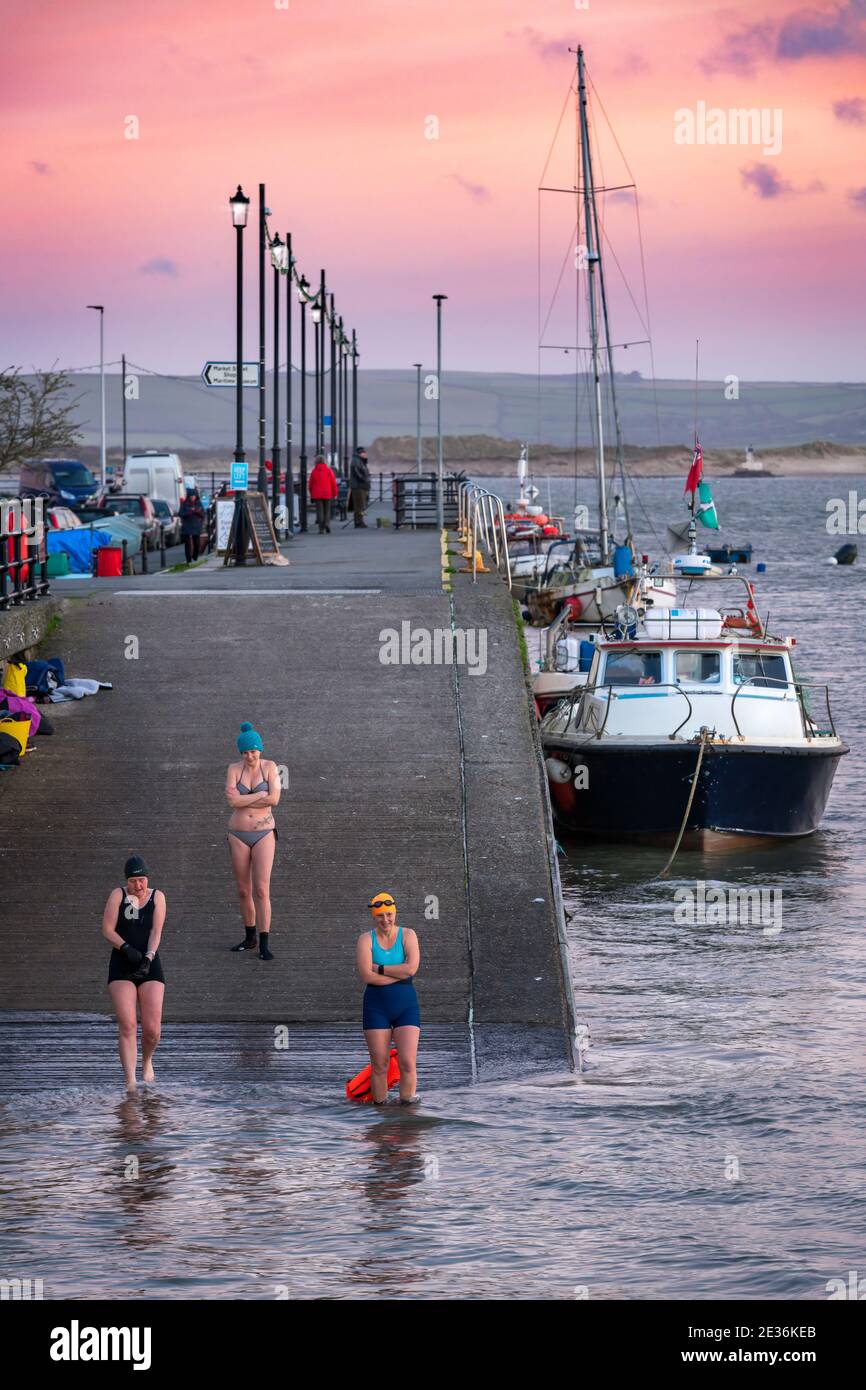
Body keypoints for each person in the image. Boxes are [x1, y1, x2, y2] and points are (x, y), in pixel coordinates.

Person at [102, 855, 166, 1090]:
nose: (137, 886)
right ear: (126, 881)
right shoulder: (118, 895)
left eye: (141, 880)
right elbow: (107, 930)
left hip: (149, 964)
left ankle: (147, 1060)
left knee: (152, 1030)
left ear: (147, 879)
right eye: (133, 881)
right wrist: (125, 947)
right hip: (122, 963)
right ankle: (130, 1081)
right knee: (128, 1025)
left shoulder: (157, 896)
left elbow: (156, 932)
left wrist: (149, 956)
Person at [356, 891, 420, 1104]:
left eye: (389, 914)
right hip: (376, 1006)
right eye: (381, 915)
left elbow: (411, 969)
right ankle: (380, 1111)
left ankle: (408, 1110)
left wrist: (380, 969)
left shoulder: (408, 935)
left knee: (408, 1063)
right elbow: (366, 975)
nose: (386, 919)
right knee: (380, 1064)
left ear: (395, 913)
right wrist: (399, 974)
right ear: (374, 917)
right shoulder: (366, 939)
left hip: (406, 1007)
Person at [226, 721, 281, 960]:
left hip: (264, 832)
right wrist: (261, 795)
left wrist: (245, 798)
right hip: (237, 833)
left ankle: (265, 942)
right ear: (241, 752)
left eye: (254, 751)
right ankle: (250, 937)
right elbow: (231, 803)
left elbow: (275, 799)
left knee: (261, 889)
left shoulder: (270, 767)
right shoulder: (234, 769)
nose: (250, 756)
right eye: (246, 752)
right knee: (243, 890)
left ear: (260, 749)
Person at [308, 455, 338, 534]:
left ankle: (321, 529)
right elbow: (333, 483)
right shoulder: (329, 470)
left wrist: (311, 494)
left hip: (317, 494)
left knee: (320, 511)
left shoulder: (314, 471)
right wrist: (335, 493)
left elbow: (310, 484)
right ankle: (327, 524)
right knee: (327, 511)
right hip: (327, 493)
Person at [179, 486, 205, 562]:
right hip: (187, 525)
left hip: (196, 525)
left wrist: (197, 511)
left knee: (196, 541)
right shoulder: (184, 504)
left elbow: (203, 514)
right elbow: (181, 513)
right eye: (191, 496)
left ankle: (195, 555)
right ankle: (188, 559)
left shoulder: (198, 503)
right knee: (187, 543)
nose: (193, 498)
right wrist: (189, 512)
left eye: (194, 496)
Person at [349, 447, 371, 528]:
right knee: (359, 506)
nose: (365, 454)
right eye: (364, 453)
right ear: (360, 453)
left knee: (360, 505)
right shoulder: (356, 461)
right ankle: (359, 522)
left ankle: (359, 521)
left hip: (361, 486)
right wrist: (365, 479)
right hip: (358, 486)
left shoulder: (360, 461)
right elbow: (358, 473)